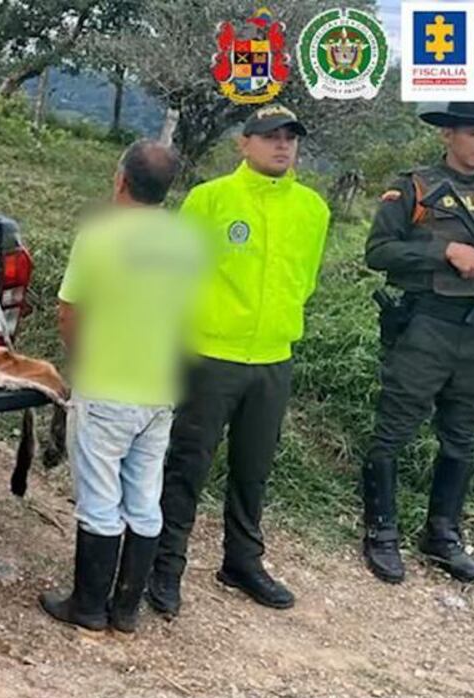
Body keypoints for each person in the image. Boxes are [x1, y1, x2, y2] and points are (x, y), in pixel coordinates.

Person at [146, 105, 331, 616]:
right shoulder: (211, 200)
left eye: (291, 137)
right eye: (270, 136)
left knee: (254, 468)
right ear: (243, 144)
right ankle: (165, 565)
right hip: (210, 355)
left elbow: (305, 280)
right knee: (189, 465)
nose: (282, 145)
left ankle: (242, 562)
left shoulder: (313, 209)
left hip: (274, 359)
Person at [39, 141, 205, 633]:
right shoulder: (186, 242)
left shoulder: (100, 237)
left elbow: (70, 311)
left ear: (120, 180)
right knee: (143, 500)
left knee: (98, 498)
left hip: (107, 386)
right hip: (159, 392)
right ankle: (126, 610)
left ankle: (88, 606)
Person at [359, 87, 474, 585]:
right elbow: (379, 252)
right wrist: (445, 253)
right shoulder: (413, 188)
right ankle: (382, 533)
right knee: (394, 428)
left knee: (462, 435)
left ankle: (442, 535)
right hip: (425, 327)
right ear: (447, 133)